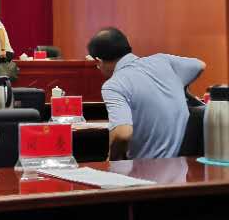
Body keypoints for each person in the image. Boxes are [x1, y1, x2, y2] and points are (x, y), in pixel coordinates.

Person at [88, 27, 205, 161]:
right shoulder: (163, 60)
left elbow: (122, 134)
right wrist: (180, 86)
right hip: (184, 165)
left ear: (99, 61)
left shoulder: (114, 85)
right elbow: (200, 65)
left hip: (147, 168)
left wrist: (112, 161)